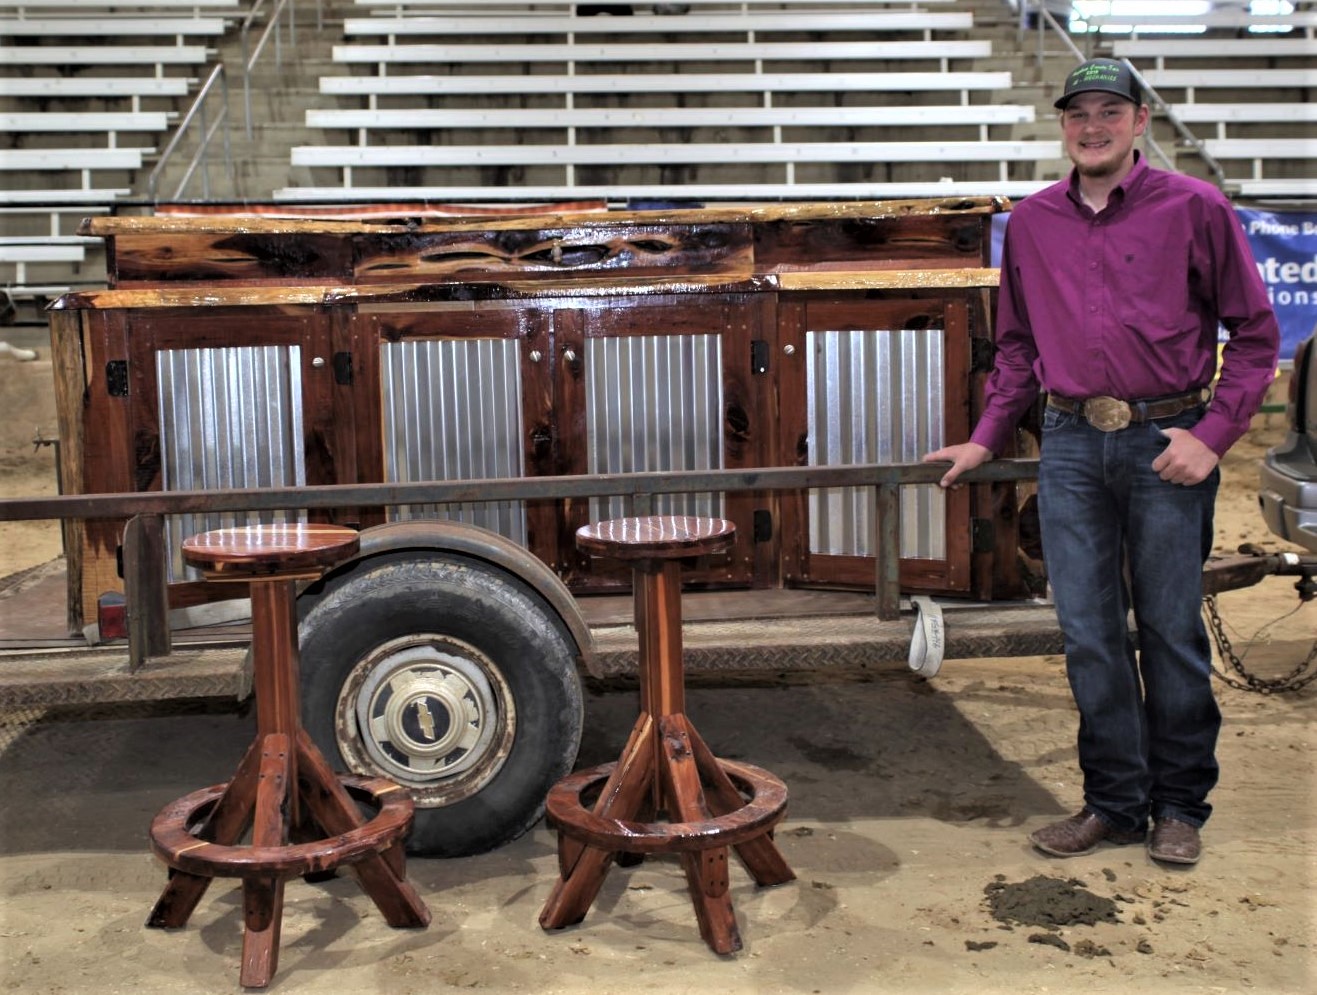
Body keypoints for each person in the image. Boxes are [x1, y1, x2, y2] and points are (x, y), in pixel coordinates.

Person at [923, 58, 1280, 866]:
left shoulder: (1195, 207)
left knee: (1168, 629)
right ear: (1062, 125)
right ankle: (1114, 803)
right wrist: (986, 435)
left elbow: (1254, 335)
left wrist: (1211, 434)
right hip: (1072, 444)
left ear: (1139, 120)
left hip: (1167, 439)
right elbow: (1015, 347)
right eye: (1077, 113)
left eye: (1108, 112)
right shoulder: (1033, 223)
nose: (1092, 126)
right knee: (1087, 634)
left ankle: (1178, 805)